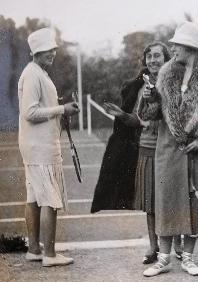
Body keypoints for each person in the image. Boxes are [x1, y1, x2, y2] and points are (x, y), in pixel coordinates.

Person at [140, 22, 198, 277]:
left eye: (176, 44)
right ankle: (163, 258)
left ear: (190, 47)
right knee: (167, 201)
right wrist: (150, 99)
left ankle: (189, 258)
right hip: (169, 150)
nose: (172, 48)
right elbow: (152, 115)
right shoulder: (167, 72)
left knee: (197, 203)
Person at [90, 42, 182, 264]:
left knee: (171, 199)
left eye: (157, 56)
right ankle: (154, 247)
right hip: (147, 149)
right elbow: (139, 121)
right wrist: (122, 115)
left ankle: (177, 244)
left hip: (170, 149)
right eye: (149, 56)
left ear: (166, 58)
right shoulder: (140, 86)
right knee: (149, 202)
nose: (152, 60)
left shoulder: (175, 83)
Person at [18, 28, 79, 266]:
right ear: (36, 52)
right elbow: (30, 112)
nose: (52, 52)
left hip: (36, 145)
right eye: (47, 49)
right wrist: (62, 110)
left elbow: (39, 110)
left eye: (53, 48)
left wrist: (60, 114)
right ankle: (50, 254)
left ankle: (34, 249)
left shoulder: (37, 72)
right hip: (39, 147)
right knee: (49, 199)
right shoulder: (33, 74)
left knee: (34, 197)